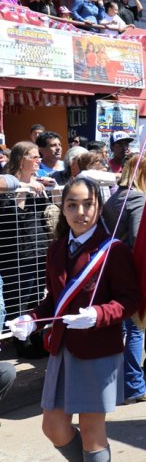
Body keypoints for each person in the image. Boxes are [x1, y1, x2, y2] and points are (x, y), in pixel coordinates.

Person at [5, 177, 139, 462]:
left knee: (92, 432)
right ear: (62, 209)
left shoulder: (113, 250)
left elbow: (129, 301)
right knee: (53, 427)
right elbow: (53, 301)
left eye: (88, 204)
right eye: (72, 205)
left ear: (100, 208)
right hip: (62, 349)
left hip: (97, 350)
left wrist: (98, 314)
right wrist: (31, 319)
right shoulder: (55, 249)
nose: (81, 212)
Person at [102, 156, 146, 405]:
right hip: (129, 269)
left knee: (124, 329)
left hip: (113, 268)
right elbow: (138, 237)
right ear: (144, 175)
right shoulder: (137, 197)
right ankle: (134, 387)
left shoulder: (115, 196)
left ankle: (123, 385)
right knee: (135, 329)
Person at [0, 142, 52, 359]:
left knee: (36, 296)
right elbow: (9, 214)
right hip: (15, 252)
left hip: (38, 248)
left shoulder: (37, 182)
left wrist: (44, 187)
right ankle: (21, 341)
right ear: (22, 159)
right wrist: (25, 188)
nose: (39, 160)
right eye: (34, 156)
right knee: (18, 297)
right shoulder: (8, 186)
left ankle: (36, 336)